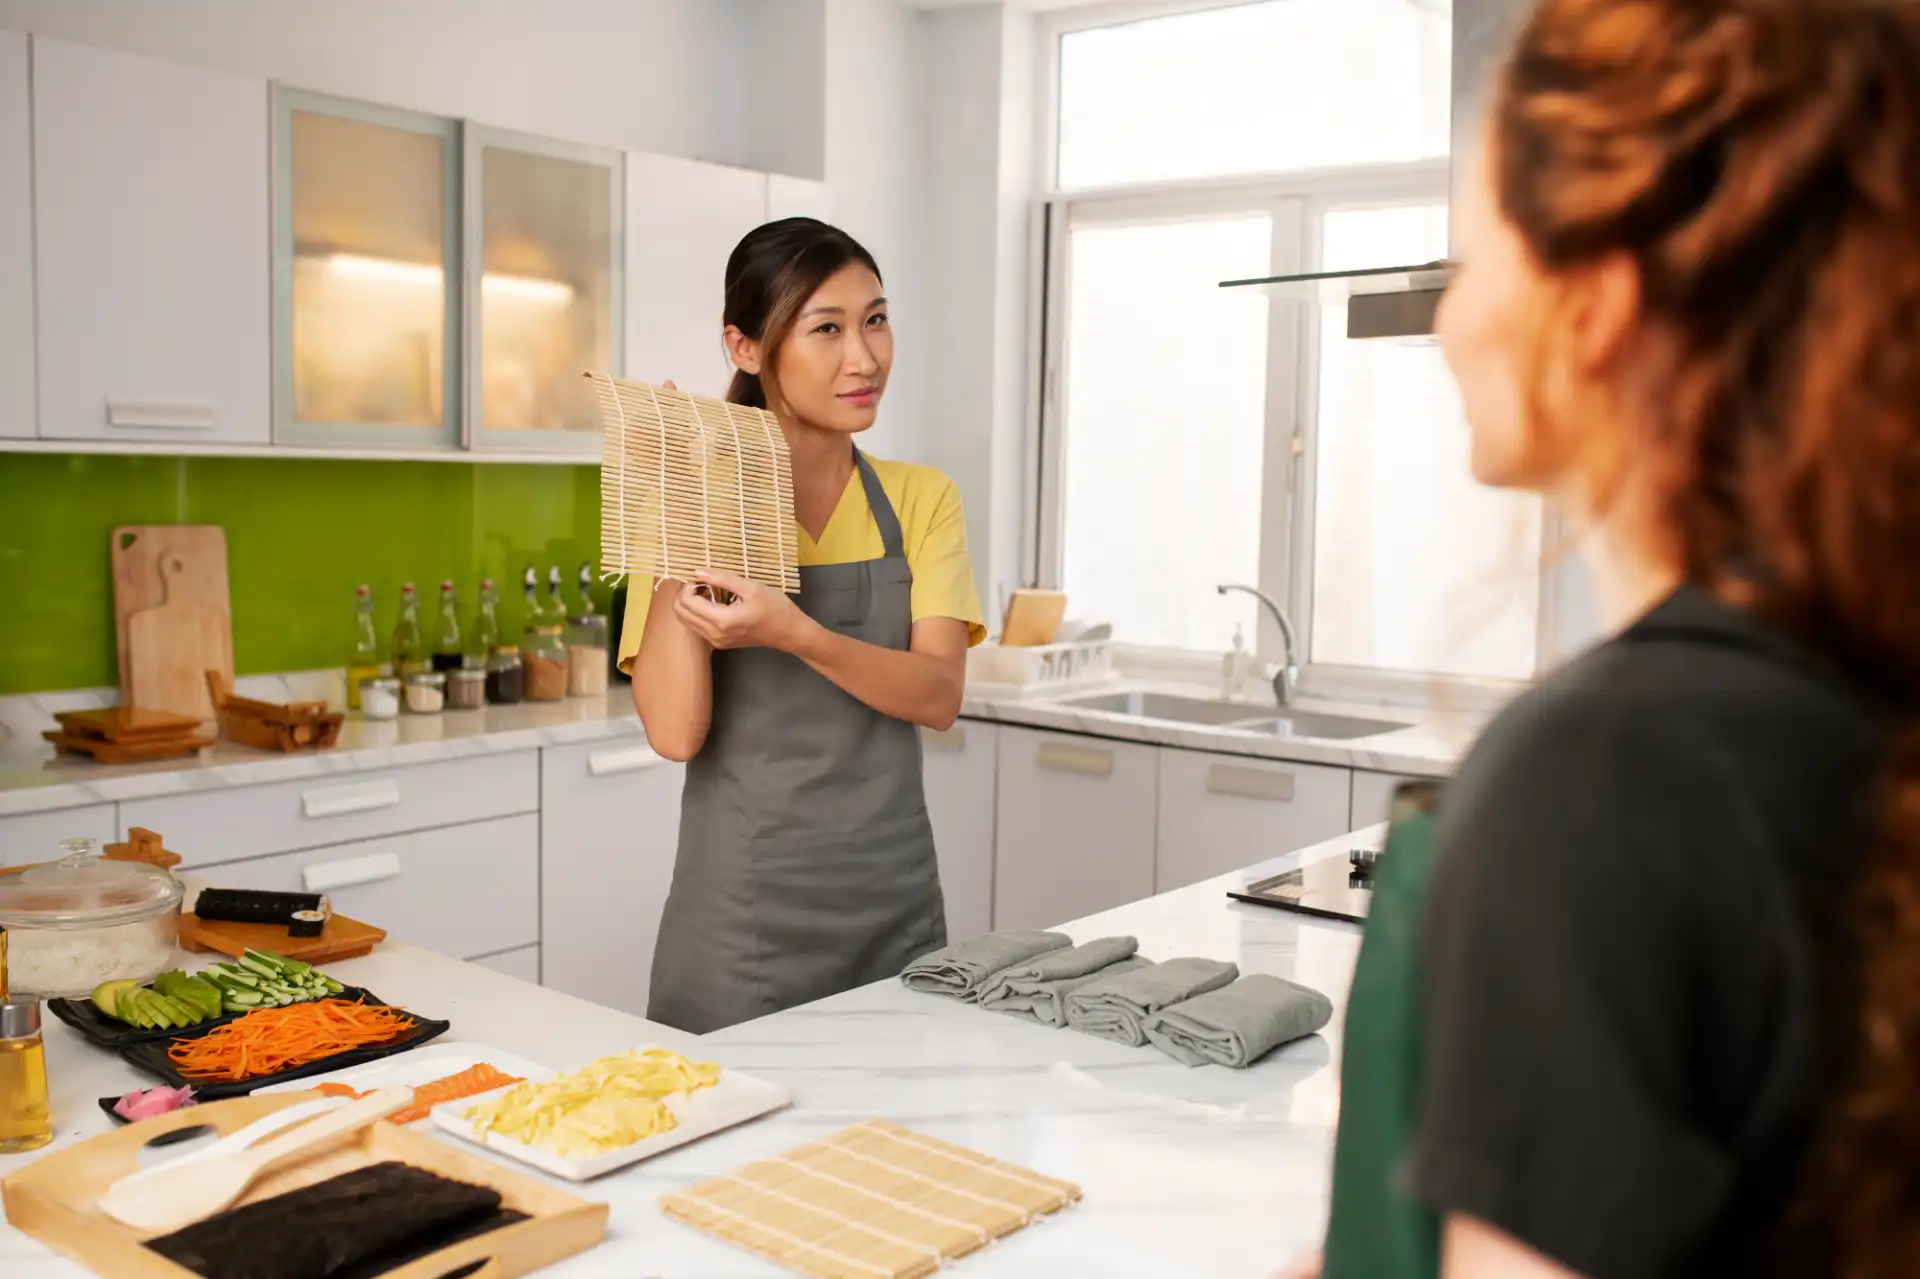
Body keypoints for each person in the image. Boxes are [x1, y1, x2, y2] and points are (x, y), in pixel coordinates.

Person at [1309, 0, 1920, 1276]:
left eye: (1472, 261)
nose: (1447, 321)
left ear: (1591, 302)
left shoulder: (1603, 777)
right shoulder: (1844, 690)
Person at [617, 218, 986, 1035]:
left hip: (894, 914)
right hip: (739, 925)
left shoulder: (923, 498)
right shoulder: (685, 500)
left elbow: (938, 693)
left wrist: (797, 632)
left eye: (876, 320)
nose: (865, 358)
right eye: (827, 328)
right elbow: (677, 731)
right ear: (745, 348)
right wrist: (687, 503)